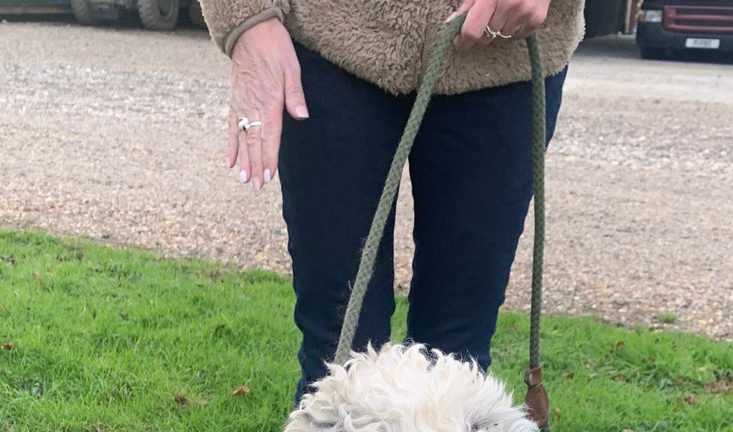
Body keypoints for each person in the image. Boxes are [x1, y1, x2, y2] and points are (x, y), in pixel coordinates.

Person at [198, 0, 585, 397]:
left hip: (504, 52)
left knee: (456, 370)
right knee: (339, 366)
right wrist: (245, 20)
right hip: (330, 39)